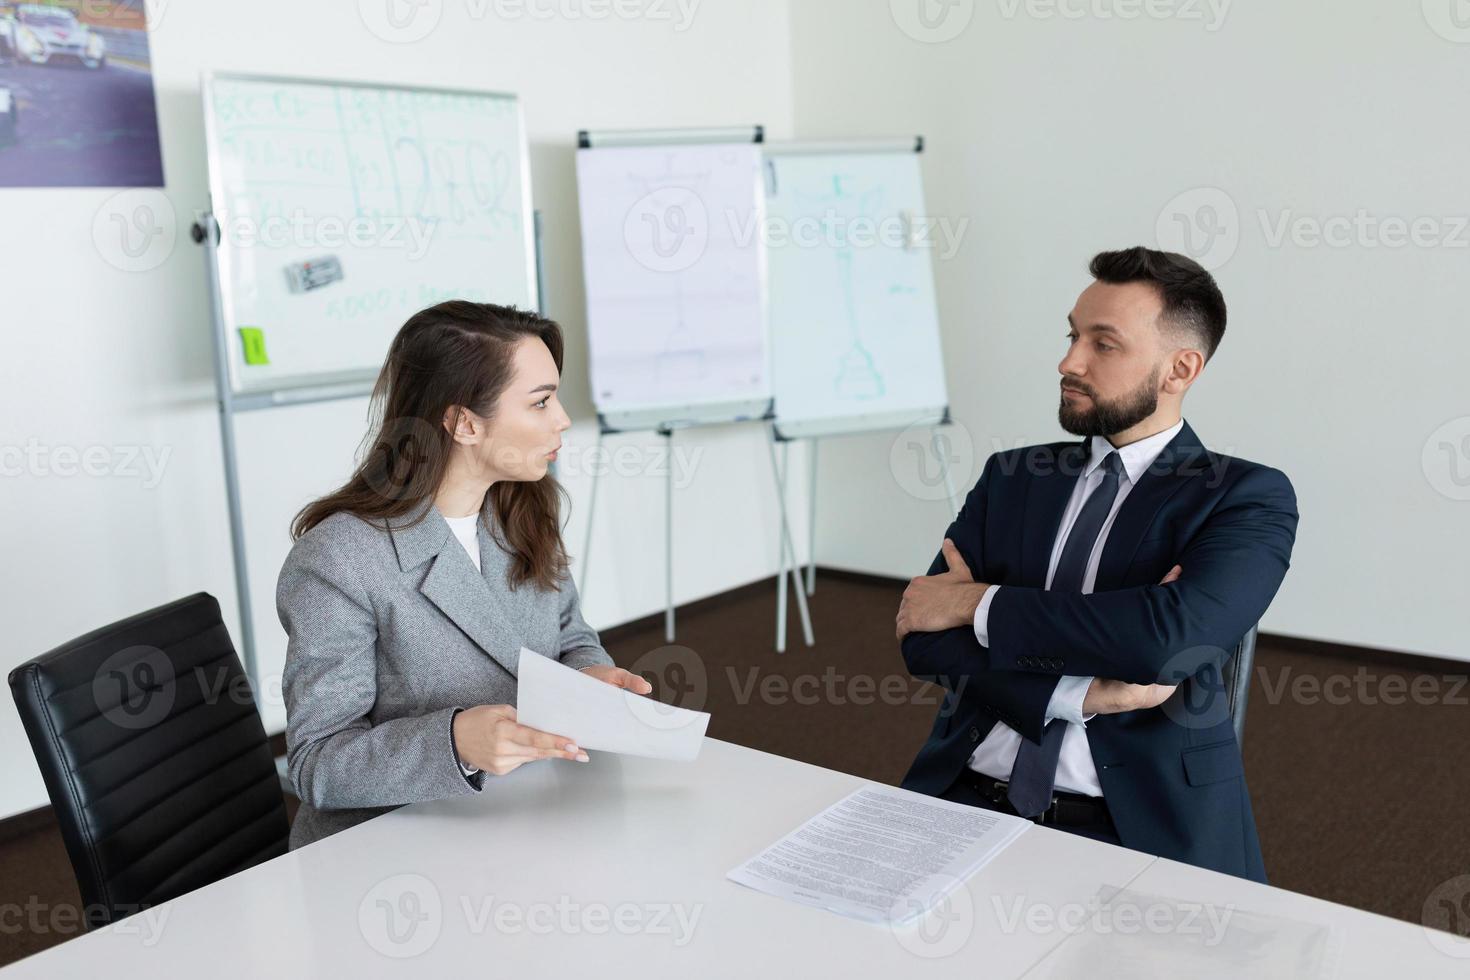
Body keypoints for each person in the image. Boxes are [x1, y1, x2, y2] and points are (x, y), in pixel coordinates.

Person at [895, 247, 1298, 882]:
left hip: (1133, 823)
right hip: (964, 790)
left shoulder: (1244, 496)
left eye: (1102, 344)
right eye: (1072, 335)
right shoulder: (1014, 476)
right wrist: (1080, 693)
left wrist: (978, 604)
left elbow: (1165, 644)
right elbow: (922, 636)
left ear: (1179, 369)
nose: (1068, 362)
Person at [277, 301, 651, 849]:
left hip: (523, 814)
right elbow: (317, 765)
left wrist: (589, 676)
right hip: (393, 855)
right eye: (541, 402)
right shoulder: (339, 561)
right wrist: (452, 743)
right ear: (464, 423)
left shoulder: (518, 510)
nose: (563, 419)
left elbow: (570, 634)